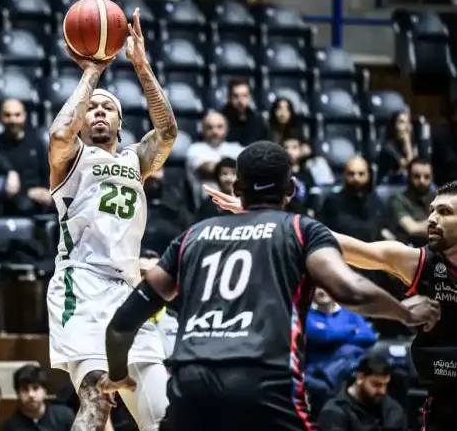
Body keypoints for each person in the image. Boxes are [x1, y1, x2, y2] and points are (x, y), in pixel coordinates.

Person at [100, 141, 440, 431]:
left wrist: (117, 374)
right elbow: (351, 291)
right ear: (290, 189)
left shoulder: (193, 236)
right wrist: (405, 313)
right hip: (264, 385)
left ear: (237, 188)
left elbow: (121, 324)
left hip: (191, 387)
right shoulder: (300, 230)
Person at [207, 174, 457, 431]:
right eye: (432, 210)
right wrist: (264, 215)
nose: (432, 218)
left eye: (445, 212)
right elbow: (336, 243)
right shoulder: (418, 262)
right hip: (442, 406)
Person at [46, 8, 176, 431]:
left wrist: (141, 66)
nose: (99, 112)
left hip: (129, 290)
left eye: (108, 108)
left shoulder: (136, 160)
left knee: (161, 412)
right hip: (80, 284)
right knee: (96, 400)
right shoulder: (71, 158)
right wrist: (93, 71)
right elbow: (59, 134)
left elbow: (167, 132)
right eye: (92, 109)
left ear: (121, 123)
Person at [318, 354, 407, 431]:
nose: (382, 391)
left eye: (385, 385)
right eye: (377, 385)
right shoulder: (334, 411)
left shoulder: (391, 408)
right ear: (360, 378)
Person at [1, 364, 74, 431]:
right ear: (18, 393)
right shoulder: (10, 426)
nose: (31, 394)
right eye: (25, 389)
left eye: (35, 388)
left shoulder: (64, 416)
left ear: (45, 391)